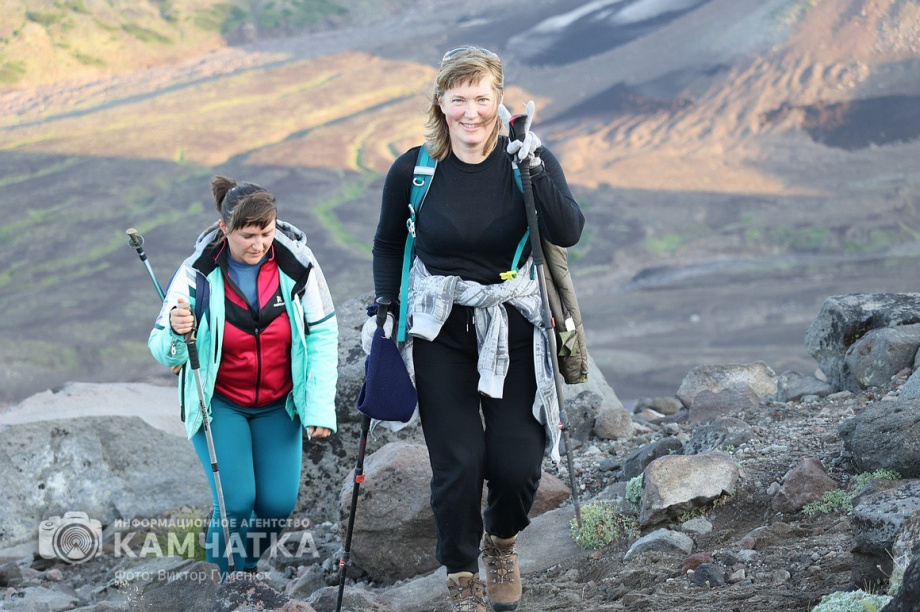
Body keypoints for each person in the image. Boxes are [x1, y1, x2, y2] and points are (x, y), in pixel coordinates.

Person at [370, 47, 584, 612]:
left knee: (517, 465)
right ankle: (462, 574)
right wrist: (386, 304)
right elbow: (389, 242)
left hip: (513, 327)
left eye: (482, 98)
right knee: (458, 463)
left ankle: (502, 542)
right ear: (440, 102)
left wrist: (533, 165)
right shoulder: (414, 169)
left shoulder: (526, 160)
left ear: (500, 101)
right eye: (458, 99)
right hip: (440, 331)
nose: (471, 112)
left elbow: (568, 230)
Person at [148, 176, 338, 577]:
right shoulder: (196, 273)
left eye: (265, 233)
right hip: (219, 404)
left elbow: (322, 333)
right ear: (224, 228)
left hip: (279, 404)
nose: (258, 244)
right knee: (235, 503)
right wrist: (178, 333)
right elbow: (161, 350)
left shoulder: (298, 264)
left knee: (275, 506)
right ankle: (224, 584)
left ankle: (245, 569)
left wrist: (319, 408)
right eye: (247, 235)